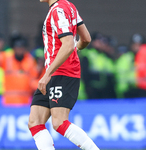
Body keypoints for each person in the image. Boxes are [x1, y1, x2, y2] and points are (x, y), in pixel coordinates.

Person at [28, 0, 99, 150]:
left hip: (61, 73)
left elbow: (67, 43)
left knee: (59, 122)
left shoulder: (57, 10)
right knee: (35, 122)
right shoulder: (69, 6)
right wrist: (75, 50)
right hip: (57, 72)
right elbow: (85, 38)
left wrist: (47, 74)